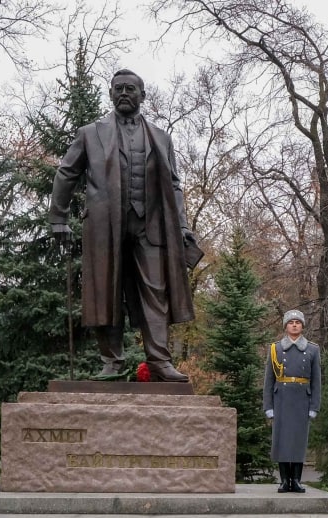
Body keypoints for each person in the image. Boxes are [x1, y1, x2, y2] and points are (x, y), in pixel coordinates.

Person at [49, 68, 197, 382]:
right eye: (118, 89)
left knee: (155, 293)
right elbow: (66, 173)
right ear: (111, 94)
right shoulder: (90, 133)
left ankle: (159, 361)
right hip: (104, 227)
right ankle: (111, 364)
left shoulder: (161, 137)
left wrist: (182, 227)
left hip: (151, 227)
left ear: (143, 95)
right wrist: (58, 217)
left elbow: (173, 185)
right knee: (106, 291)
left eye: (131, 88)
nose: (124, 93)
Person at [263, 310, 322, 493]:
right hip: (281, 399)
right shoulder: (276, 349)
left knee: (298, 440)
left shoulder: (312, 349)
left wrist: (314, 406)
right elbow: (269, 380)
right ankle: (283, 480)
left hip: (301, 400)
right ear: (285, 326)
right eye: (291, 322)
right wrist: (268, 406)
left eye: (298, 322)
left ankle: (296, 480)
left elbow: (316, 380)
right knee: (281, 440)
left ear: (302, 326)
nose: (294, 325)